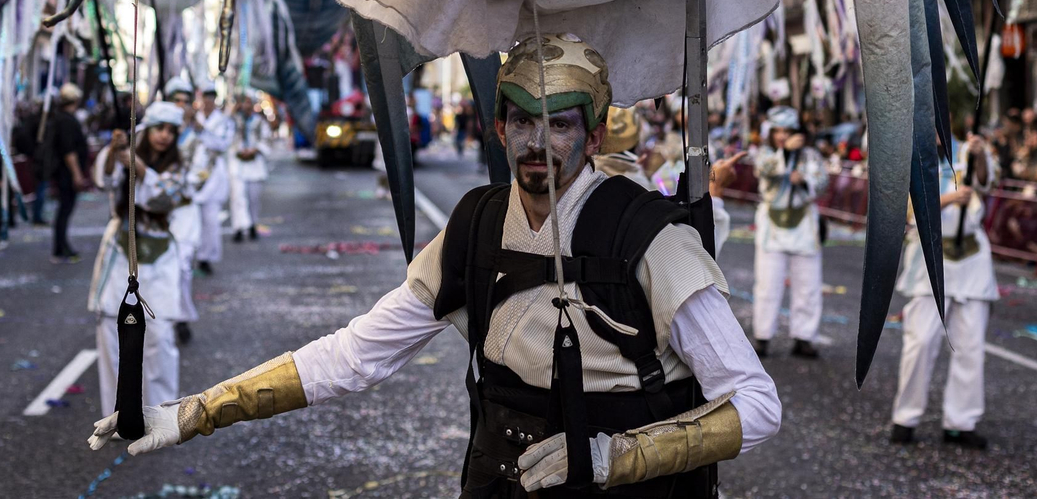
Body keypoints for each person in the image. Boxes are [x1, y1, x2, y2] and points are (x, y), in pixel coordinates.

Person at [90, 33, 780, 496]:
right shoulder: (475, 226)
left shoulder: (650, 237)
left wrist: (615, 458)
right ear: (498, 127)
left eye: (560, 123)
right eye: (521, 120)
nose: (537, 142)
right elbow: (356, 355)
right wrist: (199, 411)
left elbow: (756, 404)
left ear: (595, 135)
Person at [890, 133, 998, 450]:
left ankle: (960, 422)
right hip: (929, 259)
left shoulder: (966, 150)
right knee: (921, 342)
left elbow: (985, 183)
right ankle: (906, 417)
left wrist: (979, 156)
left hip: (972, 261)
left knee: (970, 346)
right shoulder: (909, 153)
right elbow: (906, 209)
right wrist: (949, 199)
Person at [89, 102, 194, 415]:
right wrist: (114, 152)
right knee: (112, 337)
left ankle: (162, 416)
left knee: (160, 340)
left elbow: (166, 198)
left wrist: (138, 165)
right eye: (159, 128)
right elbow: (104, 180)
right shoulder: (125, 156)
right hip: (120, 254)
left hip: (160, 260)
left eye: (171, 131)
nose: (164, 135)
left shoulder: (179, 165)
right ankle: (116, 418)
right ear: (146, 130)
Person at [751, 112, 826, 360]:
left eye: (787, 131)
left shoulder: (810, 155)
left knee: (808, 285)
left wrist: (803, 180)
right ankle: (762, 335)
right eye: (778, 131)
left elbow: (822, 182)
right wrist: (784, 154)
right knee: (767, 284)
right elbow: (763, 170)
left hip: (804, 223)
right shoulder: (765, 153)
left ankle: (804, 337)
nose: (782, 136)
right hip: (772, 226)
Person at [163, 75, 205, 345]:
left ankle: (180, 318)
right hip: (155, 214)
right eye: (175, 100)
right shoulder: (151, 132)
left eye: (185, 101)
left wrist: (177, 185)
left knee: (182, 268)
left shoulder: (198, 137)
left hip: (185, 213)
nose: (180, 106)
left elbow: (202, 172)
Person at [191, 85, 231, 276]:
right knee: (190, 221)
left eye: (211, 97)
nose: (207, 101)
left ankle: (206, 257)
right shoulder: (192, 118)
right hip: (191, 175)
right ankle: (188, 257)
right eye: (205, 97)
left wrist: (203, 132)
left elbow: (222, 144)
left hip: (213, 176)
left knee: (211, 221)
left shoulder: (223, 121)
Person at [47, 83, 90, 264]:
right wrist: (76, 174)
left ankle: (61, 245)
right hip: (66, 174)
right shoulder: (66, 121)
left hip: (64, 172)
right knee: (65, 209)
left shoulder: (62, 119)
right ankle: (60, 247)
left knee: (65, 210)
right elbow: (69, 151)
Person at [230, 96, 271, 242]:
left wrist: (255, 150)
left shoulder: (259, 122)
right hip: (238, 165)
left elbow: (266, 141)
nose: (246, 106)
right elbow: (225, 137)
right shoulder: (233, 120)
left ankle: (253, 225)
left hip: (254, 166)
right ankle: (238, 228)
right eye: (243, 102)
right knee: (237, 198)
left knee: (253, 199)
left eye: (248, 103)